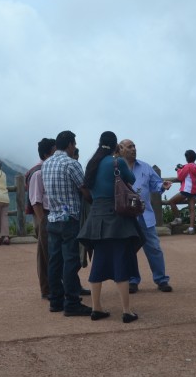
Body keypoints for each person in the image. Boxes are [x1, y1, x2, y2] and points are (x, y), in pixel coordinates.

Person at [77, 132, 143, 323]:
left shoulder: (92, 164)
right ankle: (126, 311)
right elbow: (131, 178)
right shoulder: (117, 163)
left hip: (96, 217)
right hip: (116, 217)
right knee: (121, 260)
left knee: (98, 262)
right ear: (115, 146)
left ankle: (96, 308)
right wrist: (122, 159)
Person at [42, 130, 91, 317]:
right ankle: (72, 302)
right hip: (70, 218)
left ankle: (56, 301)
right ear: (70, 144)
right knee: (71, 260)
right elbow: (84, 189)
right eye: (74, 143)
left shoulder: (46, 164)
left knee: (55, 261)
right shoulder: (72, 164)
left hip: (53, 218)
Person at [118, 139, 172, 294]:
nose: (133, 149)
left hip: (144, 215)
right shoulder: (116, 168)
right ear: (121, 149)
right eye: (129, 147)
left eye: (134, 146)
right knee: (129, 250)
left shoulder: (146, 167)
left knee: (154, 248)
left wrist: (163, 186)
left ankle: (161, 280)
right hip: (126, 217)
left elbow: (156, 184)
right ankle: (132, 281)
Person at [27, 138, 56, 300]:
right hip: (44, 215)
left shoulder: (45, 169)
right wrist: (43, 222)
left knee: (49, 253)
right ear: (47, 153)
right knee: (46, 254)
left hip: (48, 215)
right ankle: (47, 289)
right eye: (55, 150)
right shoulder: (39, 172)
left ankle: (53, 287)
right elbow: (35, 200)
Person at [167, 149, 196, 233]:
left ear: (187, 158)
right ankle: (191, 229)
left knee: (171, 201)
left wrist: (178, 169)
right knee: (192, 209)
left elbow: (180, 177)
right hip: (195, 190)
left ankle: (178, 219)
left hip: (187, 189)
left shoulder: (187, 166)